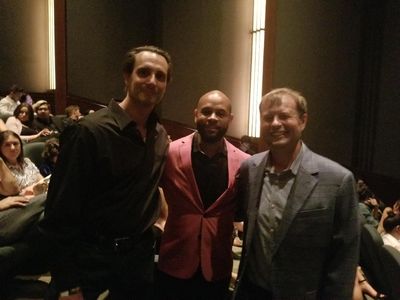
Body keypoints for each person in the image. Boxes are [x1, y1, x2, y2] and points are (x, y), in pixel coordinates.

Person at [39, 45, 172, 300]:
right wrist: (69, 285)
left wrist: (158, 225)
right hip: (90, 261)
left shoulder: (160, 135)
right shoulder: (89, 132)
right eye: (144, 72)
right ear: (126, 77)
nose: (152, 81)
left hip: (137, 262)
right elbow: (58, 216)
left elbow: (151, 189)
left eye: (160, 76)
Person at [233, 87, 359, 299]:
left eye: (284, 116)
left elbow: (344, 259)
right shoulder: (250, 169)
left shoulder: (338, 180)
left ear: (303, 121)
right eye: (268, 117)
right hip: (252, 291)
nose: (275, 123)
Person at [157, 90, 249, 299]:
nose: (213, 118)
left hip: (217, 268)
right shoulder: (170, 153)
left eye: (220, 113)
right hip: (173, 263)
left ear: (230, 119)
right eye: (206, 112)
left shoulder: (244, 163)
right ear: (196, 114)